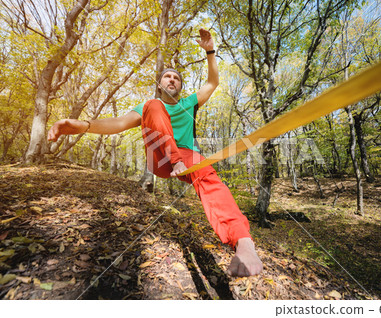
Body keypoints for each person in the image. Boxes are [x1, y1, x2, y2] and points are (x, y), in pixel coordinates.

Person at [48, 28, 263, 277]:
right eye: (167, 77)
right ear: (160, 84)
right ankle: (175, 158)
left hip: (187, 158)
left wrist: (210, 52)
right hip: (160, 158)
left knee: (209, 177)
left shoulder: (189, 103)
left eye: (176, 78)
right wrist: (82, 125)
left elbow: (213, 83)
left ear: (180, 86)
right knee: (153, 106)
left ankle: (243, 241)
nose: (172, 79)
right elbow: (117, 123)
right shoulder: (149, 105)